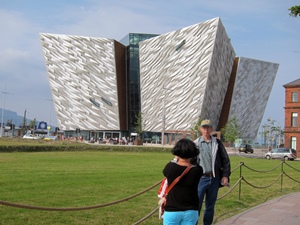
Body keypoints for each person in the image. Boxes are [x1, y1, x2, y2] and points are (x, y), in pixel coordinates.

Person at [194, 119, 231, 225]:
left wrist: (225, 175)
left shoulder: (217, 143)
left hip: (214, 179)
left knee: (210, 206)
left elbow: (225, 160)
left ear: (211, 129)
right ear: (201, 129)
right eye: (204, 127)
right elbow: (188, 160)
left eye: (208, 127)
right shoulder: (195, 144)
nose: (206, 130)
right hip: (201, 179)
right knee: (196, 205)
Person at [162, 138, 203, 225]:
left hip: (172, 209)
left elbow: (165, 172)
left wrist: (176, 158)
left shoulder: (170, 168)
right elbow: (195, 165)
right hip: (191, 210)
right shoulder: (198, 170)